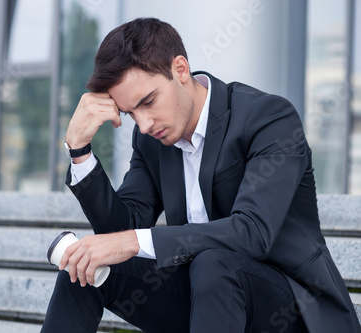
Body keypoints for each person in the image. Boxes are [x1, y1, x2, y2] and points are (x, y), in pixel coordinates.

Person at [41, 17, 361, 333]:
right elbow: (122, 232)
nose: (145, 124)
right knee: (82, 267)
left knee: (214, 263)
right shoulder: (152, 141)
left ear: (180, 69)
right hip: (208, 306)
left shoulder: (269, 118)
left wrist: (129, 241)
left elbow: (252, 233)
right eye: (131, 114)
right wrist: (80, 151)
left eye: (149, 102)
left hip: (295, 312)